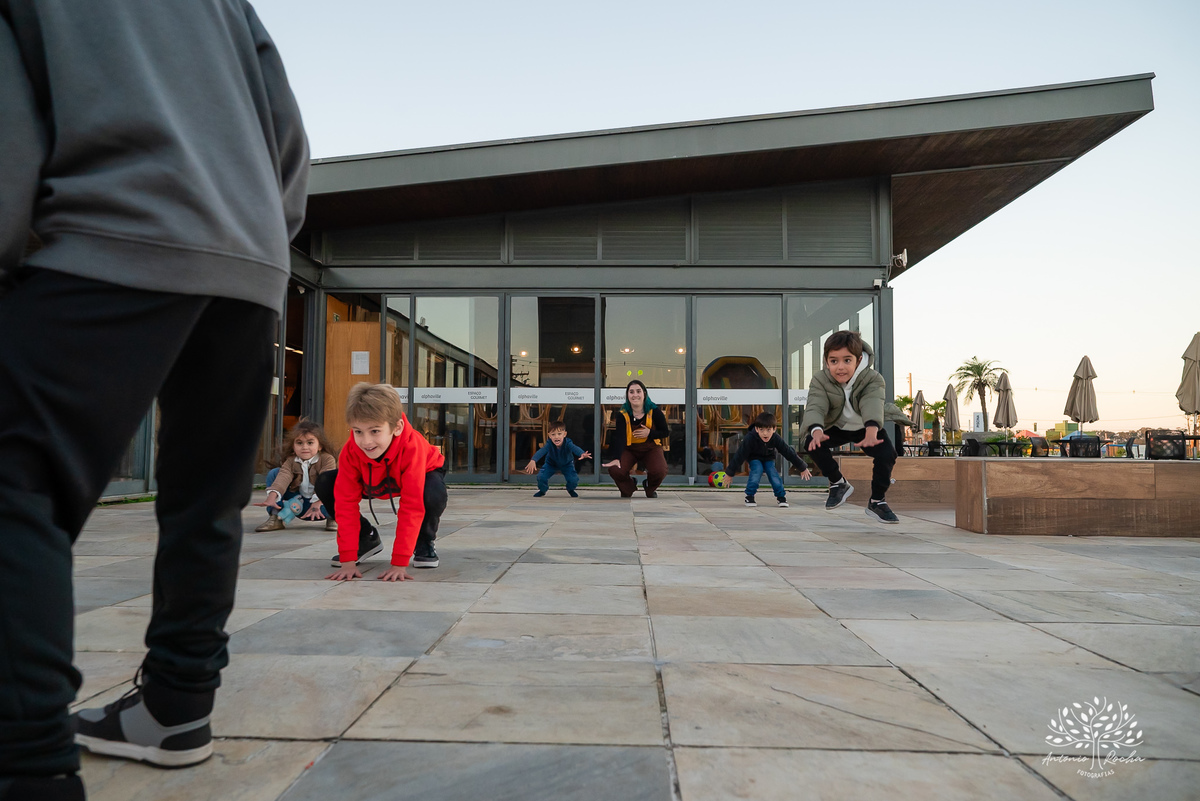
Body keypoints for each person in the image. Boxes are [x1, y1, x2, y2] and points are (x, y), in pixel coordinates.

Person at [0, 0, 309, 794]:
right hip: (246, 267)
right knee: (206, 497)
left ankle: (26, 763)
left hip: (107, 234)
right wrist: (261, 238)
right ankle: (176, 703)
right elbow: (284, 126)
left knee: (15, 482)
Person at [320, 383, 447, 581]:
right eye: (358, 431)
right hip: (374, 477)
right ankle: (366, 539)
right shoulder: (351, 452)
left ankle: (424, 541)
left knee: (431, 493)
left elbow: (412, 506)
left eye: (375, 431)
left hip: (425, 471)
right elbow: (345, 505)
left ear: (397, 427)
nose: (366, 441)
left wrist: (399, 562)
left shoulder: (413, 447)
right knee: (326, 482)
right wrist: (347, 561)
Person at [801, 331, 900, 524]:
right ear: (826, 361)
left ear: (859, 359)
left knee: (887, 454)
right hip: (836, 426)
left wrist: (872, 430)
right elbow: (815, 405)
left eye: (847, 360)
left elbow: (872, 402)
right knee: (811, 443)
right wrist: (817, 431)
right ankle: (838, 483)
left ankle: (877, 501)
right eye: (834, 361)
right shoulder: (820, 379)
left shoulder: (873, 378)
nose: (840, 368)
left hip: (865, 427)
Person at [253, 419, 338, 532]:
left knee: (336, 479)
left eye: (310, 443)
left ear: (320, 446)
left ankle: (334, 518)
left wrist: (318, 502)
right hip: (297, 504)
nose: (304, 447)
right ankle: (276, 517)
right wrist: (272, 497)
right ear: (293, 446)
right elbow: (283, 477)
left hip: (322, 506)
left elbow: (326, 483)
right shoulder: (291, 461)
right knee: (275, 472)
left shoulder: (327, 459)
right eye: (299, 443)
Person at [725, 412, 812, 508]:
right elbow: (739, 455)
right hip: (754, 458)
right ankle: (749, 496)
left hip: (768, 459)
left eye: (768, 430)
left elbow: (788, 452)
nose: (765, 433)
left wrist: (802, 467)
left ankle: (781, 497)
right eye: (761, 430)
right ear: (757, 429)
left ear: (774, 429)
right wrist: (730, 473)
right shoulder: (750, 438)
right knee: (757, 471)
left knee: (773, 474)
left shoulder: (776, 438)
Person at [601, 380, 670, 498]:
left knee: (660, 471)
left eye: (638, 391)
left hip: (650, 448)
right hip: (629, 449)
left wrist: (649, 433)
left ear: (644, 393)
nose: (635, 395)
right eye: (631, 392)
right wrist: (617, 457)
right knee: (615, 470)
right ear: (627, 395)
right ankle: (630, 485)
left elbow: (665, 432)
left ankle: (649, 486)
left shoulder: (655, 411)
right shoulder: (622, 414)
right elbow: (620, 438)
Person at [522, 421, 591, 497]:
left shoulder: (568, 442)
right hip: (551, 464)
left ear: (564, 434)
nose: (556, 437)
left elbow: (574, 448)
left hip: (567, 464)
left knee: (573, 479)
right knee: (541, 477)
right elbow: (542, 451)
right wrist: (533, 460)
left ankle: (571, 489)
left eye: (559, 434)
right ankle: (542, 490)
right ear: (549, 436)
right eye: (553, 434)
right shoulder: (549, 443)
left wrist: (582, 453)